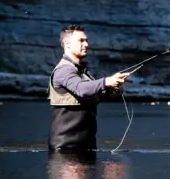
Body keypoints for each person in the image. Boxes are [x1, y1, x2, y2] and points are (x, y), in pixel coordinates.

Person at [48, 24, 131, 153]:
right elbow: (82, 89)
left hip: (86, 148)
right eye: (81, 41)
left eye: (86, 40)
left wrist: (115, 86)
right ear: (67, 43)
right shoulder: (63, 70)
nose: (86, 44)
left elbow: (97, 93)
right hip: (65, 150)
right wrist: (106, 81)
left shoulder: (83, 73)